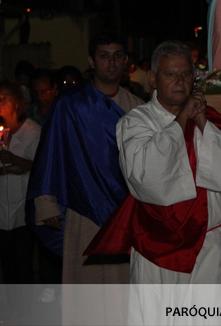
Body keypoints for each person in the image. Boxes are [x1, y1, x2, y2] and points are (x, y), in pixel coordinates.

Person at [86, 40, 221, 285]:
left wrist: (203, 123)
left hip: (211, 246)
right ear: (153, 78)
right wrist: (182, 119)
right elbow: (145, 178)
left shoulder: (210, 119)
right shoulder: (136, 121)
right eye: (170, 74)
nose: (180, 81)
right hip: (158, 249)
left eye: (186, 74)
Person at [28, 31, 144, 284]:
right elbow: (50, 152)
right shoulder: (69, 104)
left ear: (125, 61)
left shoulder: (138, 108)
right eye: (104, 56)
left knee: (124, 284)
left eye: (118, 56)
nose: (111, 62)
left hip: (126, 210)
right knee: (85, 283)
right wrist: (45, 202)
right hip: (82, 206)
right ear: (91, 61)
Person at [0, 80, 40, 321]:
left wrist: (15, 161)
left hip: (22, 207)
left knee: (24, 261)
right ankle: (13, 311)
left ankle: (26, 312)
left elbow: (39, 166)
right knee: (6, 262)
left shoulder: (33, 131)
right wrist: (2, 169)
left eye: (5, 97)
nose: (0, 102)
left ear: (17, 102)